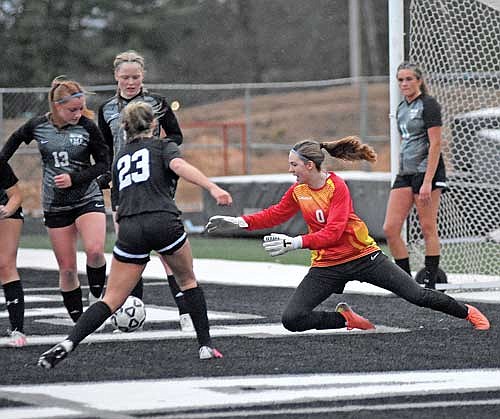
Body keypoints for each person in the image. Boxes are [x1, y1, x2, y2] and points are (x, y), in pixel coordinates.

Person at [206, 137, 490, 334]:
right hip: (327, 265)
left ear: (309, 165)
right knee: (292, 319)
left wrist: (294, 242)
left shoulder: (336, 187)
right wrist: (237, 222)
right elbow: (275, 214)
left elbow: (333, 232)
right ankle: (345, 319)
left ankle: (467, 312)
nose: (289, 169)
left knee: (416, 295)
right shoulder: (298, 191)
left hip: (364, 257)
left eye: (293, 164)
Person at [38, 101, 232, 369]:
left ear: (124, 127)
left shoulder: (120, 158)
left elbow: (117, 203)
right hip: (162, 220)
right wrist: (212, 187)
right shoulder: (163, 146)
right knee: (187, 281)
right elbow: (179, 166)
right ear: (154, 124)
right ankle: (205, 345)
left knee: (112, 299)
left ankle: (68, 343)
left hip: (130, 227)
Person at [0, 76, 109, 324]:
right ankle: (79, 324)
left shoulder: (87, 127)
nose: (78, 113)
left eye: (81, 108)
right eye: (73, 109)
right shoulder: (38, 126)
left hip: (86, 196)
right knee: (68, 269)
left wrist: (76, 178)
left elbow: (104, 163)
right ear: (57, 106)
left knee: (94, 250)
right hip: (55, 203)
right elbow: (10, 147)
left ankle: (96, 298)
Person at [97, 50, 193, 331]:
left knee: (168, 253)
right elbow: (104, 148)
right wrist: (105, 172)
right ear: (116, 76)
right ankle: (131, 311)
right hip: (123, 188)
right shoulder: (106, 110)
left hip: (154, 185)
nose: (130, 82)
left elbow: (176, 136)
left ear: (143, 76)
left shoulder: (157, 103)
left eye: (135, 77)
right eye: (125, 77)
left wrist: (160, 153)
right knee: (128, 251)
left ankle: (186, 313)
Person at [383, 62, 448, 289]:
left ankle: (430, 280)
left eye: (409, 79)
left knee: (427, 226)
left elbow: (436, 143)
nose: (404, 84)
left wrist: (428, 180)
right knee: (390, 228)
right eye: (400, 80)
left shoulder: (429, 105)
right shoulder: (401, 108)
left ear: (419, 80)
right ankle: (404, 281)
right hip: (405, 174)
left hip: (425, 173)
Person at [0, 163, 26, 347]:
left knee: (5, 264)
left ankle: (17, 329)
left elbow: (16, 196)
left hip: (5, 209)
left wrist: (5, 211)